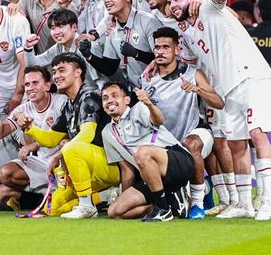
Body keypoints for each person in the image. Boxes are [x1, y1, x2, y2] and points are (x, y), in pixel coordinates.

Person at [167, 0, 271, 220]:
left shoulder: (209, 7)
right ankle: (245, 204)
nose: (172, 5)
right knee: (236, 143)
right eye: (169, 1)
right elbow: (194, 66)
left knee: (257, 135)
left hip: (251, 76)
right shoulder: (187, 33)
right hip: (228, 88)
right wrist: (200, 88)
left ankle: (267, 201)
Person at [21, 53, 119, 218]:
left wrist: (60, 155)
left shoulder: (90, 95)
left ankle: (87, 206)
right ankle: (106, 196)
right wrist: (29, 128)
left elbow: (88, 134)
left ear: (77, 72)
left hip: (109, 164)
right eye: (54, 72)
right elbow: (51, 139)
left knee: (70, 148)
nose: (56, 76)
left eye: (61, 70)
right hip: (86, 167)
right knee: (54, 209)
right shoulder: (68, 103)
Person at [141, 27, 225, 219]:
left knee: (190, 145)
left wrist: (197, 89)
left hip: (196, 131)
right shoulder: (147, 79)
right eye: (157, 48)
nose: (160, 51)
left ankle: (198, 205)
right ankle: (196, 191)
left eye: (165, 47)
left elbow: (219, 103)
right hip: (168, 142)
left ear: (177, 49)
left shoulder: (192, 73)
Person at [101, 82, 195, 222]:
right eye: (105, 98)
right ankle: (168, 203)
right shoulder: (107, 132)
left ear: (126, 100)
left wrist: (149, 104)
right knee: (115, 211)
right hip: (152, 177)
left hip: (178, 161)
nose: (109, 100)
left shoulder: (139, 109)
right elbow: (126, 169)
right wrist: (125, 197)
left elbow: (158, 120)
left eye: (115, 96)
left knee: (140, 152)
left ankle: (163, 210)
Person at [0, 66, 68, 198]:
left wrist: (34, 145)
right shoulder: (22, 109)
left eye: (35, 83)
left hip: (64, 160)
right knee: (5, 173)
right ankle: (45, 193)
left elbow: (71, 134)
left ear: (47, 86)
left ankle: (69, 191)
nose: (30, 88)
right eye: (27, 84)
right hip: (41, 162)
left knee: (65, 142)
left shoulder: (62, 101)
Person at [79, 0, 162, 88]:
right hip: (138, 91)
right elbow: (109, 68)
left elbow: (163, 57)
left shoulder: (149, 21)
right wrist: (89, 55)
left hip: (160, 86)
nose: (107, 0)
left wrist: (136, 54)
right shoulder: (112, 30)